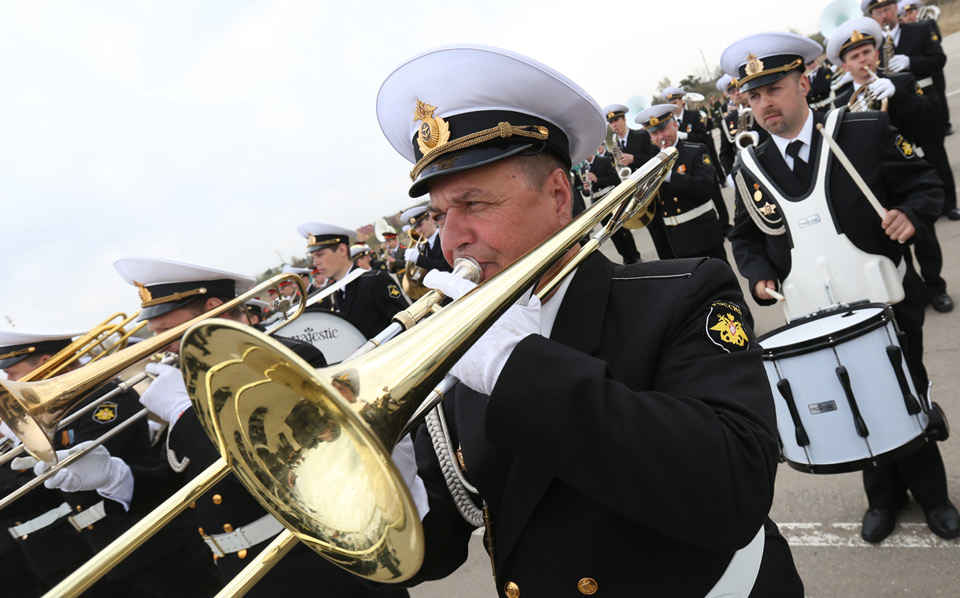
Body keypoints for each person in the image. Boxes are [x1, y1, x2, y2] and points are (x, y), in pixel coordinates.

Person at [376, 43, 802, 596]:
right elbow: (440, 548)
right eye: (438, 215)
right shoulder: (465, 357)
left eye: (474, 204)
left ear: (558, 196)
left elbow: (733, 492)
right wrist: (385, 482)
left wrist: (516, 366)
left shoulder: (681, 295)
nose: (452, 236)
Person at [722, 31, 959, 543]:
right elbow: (745, 235)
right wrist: (758, 273)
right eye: (754, 95)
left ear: (803, 83)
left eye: (775, 88)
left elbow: (925, 183)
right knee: (855, 405)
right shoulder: (750, 166)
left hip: (885, 298)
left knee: (905, 394)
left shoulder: (862, 131)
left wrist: (910, 216)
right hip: (815, 314)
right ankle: (884, 498)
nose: (765, 104)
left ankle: (934, 496)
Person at [0, 327, 221, 598]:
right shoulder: (62, 411)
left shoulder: (106, 396)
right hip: (112, 547)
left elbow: (83, 466)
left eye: (12, 372)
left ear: (46, 362)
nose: (9, 378)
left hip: (157, 539)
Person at [828, 16, 954, 313]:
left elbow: (931, 120)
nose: (863, 60)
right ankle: (915, 292)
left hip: (908, 171)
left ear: (877, 53)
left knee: (924, 234)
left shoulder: (902, 81)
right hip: (876, 182)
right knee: (893, 240)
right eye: (854, 57)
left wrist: (898, 96)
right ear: (844, 65)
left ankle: (936, 286)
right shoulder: (841, 103)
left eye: (867, 52)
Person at [635, 103, 731, 266]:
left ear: (674, 125)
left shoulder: (696, 150)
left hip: (703, 234)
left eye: (663, 130)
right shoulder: (652, 163)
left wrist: (670, 176)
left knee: (723, 286)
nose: (660, 137)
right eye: (654, 134)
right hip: (676, 242)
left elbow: (706, 187)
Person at [300, 223, 410, 338]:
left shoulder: (375, 280)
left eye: (320, 255)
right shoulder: (335, 293)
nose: (315, 263)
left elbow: (406, 324)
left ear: (342, 250)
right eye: (313, 258)